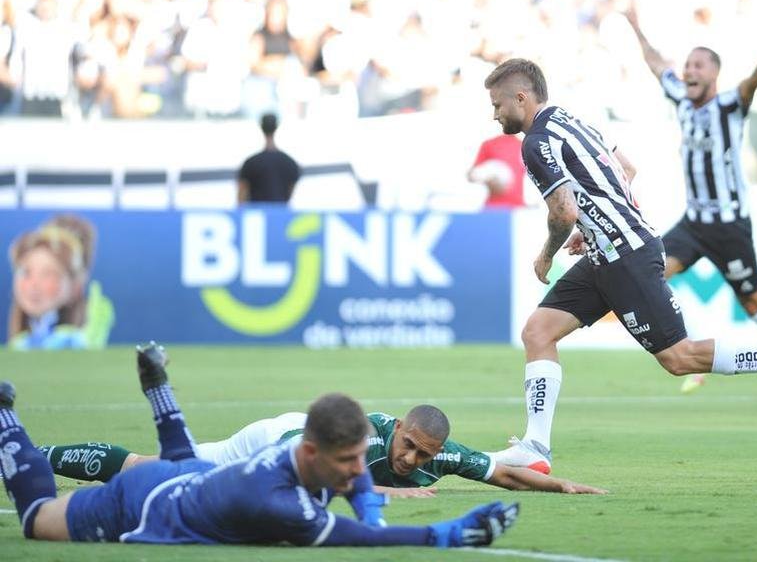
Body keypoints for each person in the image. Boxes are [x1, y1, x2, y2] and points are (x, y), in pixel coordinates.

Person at [482, 58, 757, 474]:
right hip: (608, 252)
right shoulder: (571, 120)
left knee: (680, 358)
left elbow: (562, 211)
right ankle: (536, 447)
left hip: (626, 257)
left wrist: (549, 252)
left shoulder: (535, 142)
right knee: (538, 331)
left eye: (498, 104)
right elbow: (626, 169)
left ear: (522, 98)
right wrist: (597, 222)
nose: (495, 114)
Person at [0, 343, 519, 547]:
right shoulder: (277, 502)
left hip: (187, 475)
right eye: (347, 463)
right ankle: (7, 424)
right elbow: (357, 540)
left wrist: (368, 501)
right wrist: (445, 534)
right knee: (37, 518)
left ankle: (159, 387)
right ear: (312, 454)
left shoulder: (317, 457)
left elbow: (357, 475)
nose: (359, 470)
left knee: (180, 457)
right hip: (138, 504)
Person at [627, 6, 757, 413]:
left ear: (713, 74)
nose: (688, 70)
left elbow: (752, 84)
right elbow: (657, 64)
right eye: (687, 64)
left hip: (729, 226)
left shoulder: (729, 105)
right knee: (650, 271)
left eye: (698, 65)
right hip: (694, 223)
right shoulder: (680, 96)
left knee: (755, 305)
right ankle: (689, 353)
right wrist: (635, 25)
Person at [41, 405, 607, 496]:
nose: (413, 460)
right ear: (399, 428)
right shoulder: (358, 435)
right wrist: (380, 488)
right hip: (274, 440)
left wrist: (561, 485)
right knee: (156, 471)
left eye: (424, 456)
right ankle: (34, 455)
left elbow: (503, 475)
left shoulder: (441, 452)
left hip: (297, 451)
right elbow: (300, 463)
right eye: (408, 446)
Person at [6, 215, 114, 350]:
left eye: (48, 274)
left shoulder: (70, 340)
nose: (34, 284)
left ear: (76, 285)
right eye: (26, 273)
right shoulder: (20, 343)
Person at [237, 112, 301, 204]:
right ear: (276, 127)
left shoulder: (251, 162)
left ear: (261, 127)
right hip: (280, 214)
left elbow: (241, 197)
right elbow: (290, 194)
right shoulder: (290, 163)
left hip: (257, 215)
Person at [468, 133, 526, 208]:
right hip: (493, 207)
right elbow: (472, 175)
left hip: (518, 208)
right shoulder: (489, 145)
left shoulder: (524, 146)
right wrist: (488, 178)